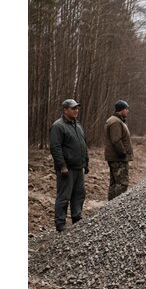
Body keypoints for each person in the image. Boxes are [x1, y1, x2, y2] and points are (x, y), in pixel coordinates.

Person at [49, 99, 89, 233]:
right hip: (67, 169)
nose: (76, 110)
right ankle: (60, 224)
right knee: (64, 196)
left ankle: (77, 218)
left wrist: (86, 163)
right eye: (73, 108)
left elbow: (83, 145)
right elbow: (55, 148)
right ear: (65, 110)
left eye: (77, 108)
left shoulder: (77, 125)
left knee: (79, 194)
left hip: (78, 167)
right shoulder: (58, 126)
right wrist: (62, 166)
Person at [105, 100, 134, 200]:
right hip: (118, 158)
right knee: (122, 184)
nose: (128, 111)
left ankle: (110, 207)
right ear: (121, 109)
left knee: (114, 183)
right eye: (126, 109)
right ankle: (115, 206)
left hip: (116, 157)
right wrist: (123, 153)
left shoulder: (116, 120)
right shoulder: (115, 122)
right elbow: (116, 140)